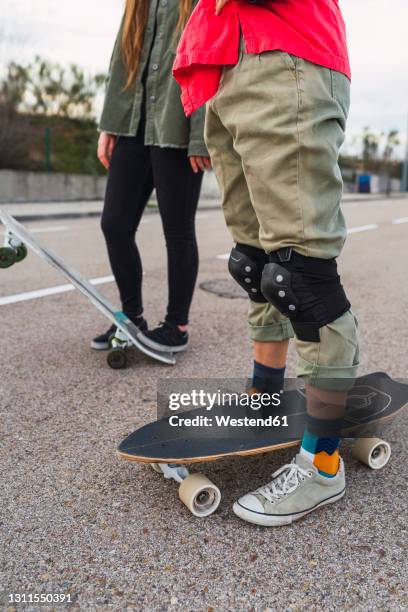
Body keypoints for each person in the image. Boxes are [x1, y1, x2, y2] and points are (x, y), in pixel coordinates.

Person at [174, 0, 359, 525]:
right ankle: (266, 398)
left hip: (286, 50)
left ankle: (323, 464)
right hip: (223, 63)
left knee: (300, 277)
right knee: (255, 267)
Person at [93, 0, 211, 354]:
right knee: (115, 224)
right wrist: (109, 125)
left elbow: (210, 58)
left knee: (177, 231)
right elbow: (121, 57)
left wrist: (200, 136)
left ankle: (177, 326)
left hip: (176, 125)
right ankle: (132, 318)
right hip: (132, 126)